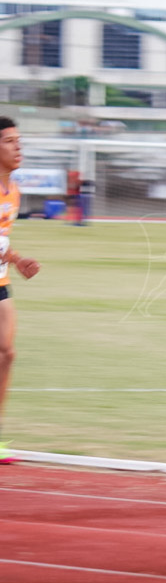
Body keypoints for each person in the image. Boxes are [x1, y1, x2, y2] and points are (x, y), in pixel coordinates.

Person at [0, 118, 42, 464]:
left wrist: (12, 260)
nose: (18, 147)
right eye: (10, 141)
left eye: (19, 141)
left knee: (7, 353)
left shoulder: (14, 191)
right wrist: (17, 258)